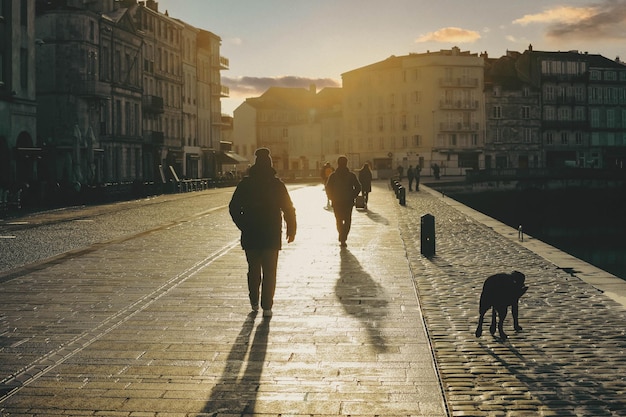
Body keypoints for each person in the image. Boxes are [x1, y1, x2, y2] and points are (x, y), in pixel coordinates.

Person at [229, 148, 297, 318]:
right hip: (271, 233)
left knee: (253, 270)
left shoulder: (246, 184)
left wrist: (243, 224)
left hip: (251, 233)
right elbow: (288, 208)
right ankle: (267, 305)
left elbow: (233, 207)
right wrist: (291, 228)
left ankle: (254, 301)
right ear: (270, 164)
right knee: (270, 271)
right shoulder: (277, 184)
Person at [325, 155, 361, 247]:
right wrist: (352, 195)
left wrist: (331, 197)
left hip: (337, 202)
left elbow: (328, 187)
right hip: (348, 202)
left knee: (339, 220)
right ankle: (343, 237)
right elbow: (358, 187)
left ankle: (342, 237)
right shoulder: (351, 175)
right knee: (347, 220)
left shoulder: (333, 176)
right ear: (346, 163)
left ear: (338, 163)